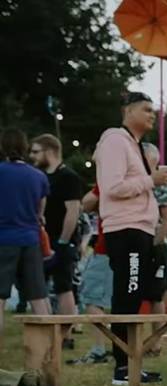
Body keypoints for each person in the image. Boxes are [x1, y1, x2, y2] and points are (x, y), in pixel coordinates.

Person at [94, 91, 167, 386]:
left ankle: (129, 364)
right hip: (125, 229)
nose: (153, 114)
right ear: (128, 111)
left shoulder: (136, 145)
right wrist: (151, 180)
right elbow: (112, 187)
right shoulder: (115, 140)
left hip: (139, 229)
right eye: (146, 109)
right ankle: (122, 367)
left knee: (134, 295)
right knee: (128, 293)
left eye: (154, 110)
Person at [0, 128, 52, 341]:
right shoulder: (38, 176)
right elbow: (41, 214)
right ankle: (49, 352)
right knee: (38, 299)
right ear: (26, 148)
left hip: (3, 239)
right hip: (30, 240)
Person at [29, 134, 83, 332]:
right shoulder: (39, 176)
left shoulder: (68, 177)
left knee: (63, 286)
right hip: (40, 239)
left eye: (36, 151)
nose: (31, 156)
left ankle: (65, 335)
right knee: (38, 288)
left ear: (49, 151)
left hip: (61, 240)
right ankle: (46, 332)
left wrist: (63, 241)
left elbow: (73, 211)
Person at [70, 186, 112, 364]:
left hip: (106, 248)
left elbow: (85, 204)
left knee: (92, 299)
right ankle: (123, 349)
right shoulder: (142, 180)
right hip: (130, 248)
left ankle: (99, 350)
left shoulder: (109, 178)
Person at [141, 142, 167, 316]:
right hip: (137, 240)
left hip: (155, 244)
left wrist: (155, 244)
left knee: (156, 294)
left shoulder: (160, 185)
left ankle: (156, 342)